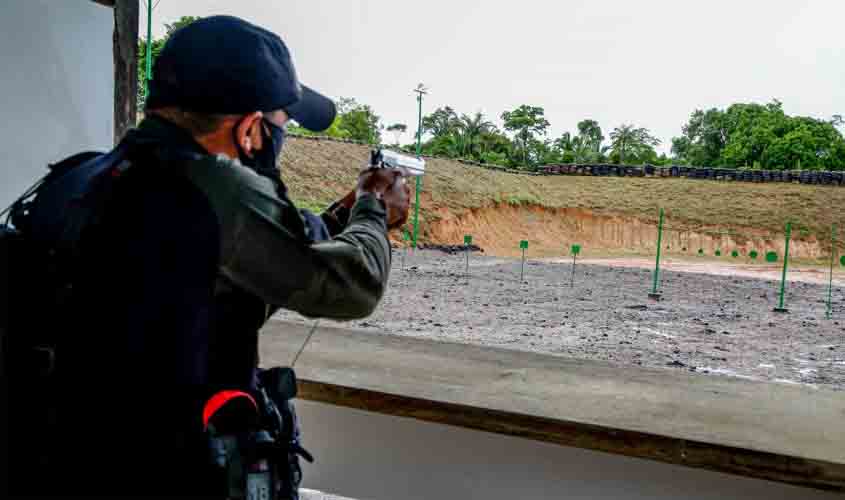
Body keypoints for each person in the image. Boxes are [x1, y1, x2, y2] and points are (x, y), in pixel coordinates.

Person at [51, 15, 410, 497]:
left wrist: (339, 216)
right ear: (248, 132)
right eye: (279, 129)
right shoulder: (213, 185)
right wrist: (373, 210)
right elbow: (352, 286)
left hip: (86, 459)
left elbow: (216, 273)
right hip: (174, 471)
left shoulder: (94, 175)